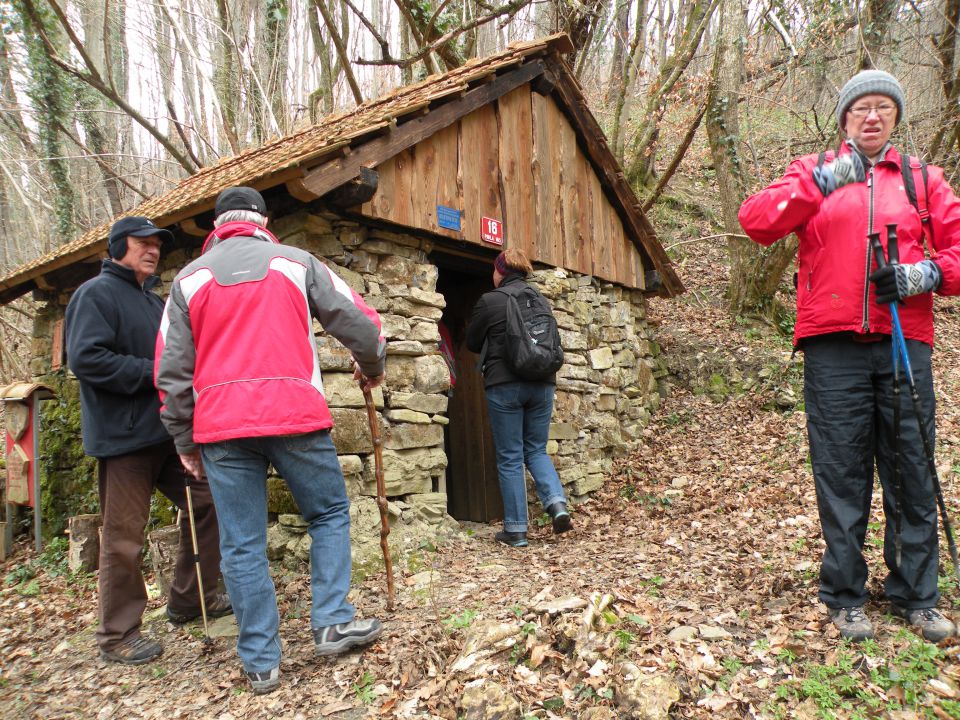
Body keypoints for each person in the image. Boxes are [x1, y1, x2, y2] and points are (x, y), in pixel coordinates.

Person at [739, 70, 960, 643]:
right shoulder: (813, 172)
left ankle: (917, 594)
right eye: (861, 107)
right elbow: (756, 220)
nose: (872, 116)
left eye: (884, 107)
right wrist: (824, 179)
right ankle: (844, 595)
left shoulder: (921, 180)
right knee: (841, 474)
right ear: (844, 119)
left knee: (911, 470)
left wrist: (924, 273)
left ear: (895, 118)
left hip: (902, 342)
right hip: (832, 346)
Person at [155, 187, 387, 695]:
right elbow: (364, 327)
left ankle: (261, 662)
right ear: (262, 220)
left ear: (215, 226)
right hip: (294, 415)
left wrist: (184, 440)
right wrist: (371, 369)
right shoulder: (296, 262)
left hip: (220, 427)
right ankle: (331, 620)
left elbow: (170, 372)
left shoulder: (187, 282)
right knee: (327, 514)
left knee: (241, 544)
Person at [65, 216, 231, 666]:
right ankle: (117, 634)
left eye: (157, 244)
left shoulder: (154, 301)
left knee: (211, 500)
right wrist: (154, 372)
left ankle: (188, 598)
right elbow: (87, 359)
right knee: (123, 538)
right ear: (119, 246)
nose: (153, 250)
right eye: (143, 243)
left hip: (169, 436)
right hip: (124, 440)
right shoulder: (94, 295)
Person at [465, 248, 572, 548]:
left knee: (511, 456)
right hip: (542, 384)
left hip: (505, 386)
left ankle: (516, 530)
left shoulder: (490, 300)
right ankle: (557, 505)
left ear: (500, 270)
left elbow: (472, 341)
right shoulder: (539, 299)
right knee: (536, 450)